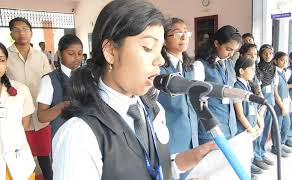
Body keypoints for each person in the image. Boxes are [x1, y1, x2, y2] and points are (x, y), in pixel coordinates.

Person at [52, 1, 215, 179]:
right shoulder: (79, 135)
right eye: (147, 48)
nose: (160, 60)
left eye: (160, 49)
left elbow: (147, 169)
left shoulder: (153, 110)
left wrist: (187, 159)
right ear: (110, 52)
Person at [157, 17, 212, 179]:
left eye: (186, 33)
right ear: (164, 40)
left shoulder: (191, 66)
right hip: (171, 136)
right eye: (177, 33)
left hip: (192, 133)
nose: (184, 37)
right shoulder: (159, 69)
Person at [6, 17, 52, 180]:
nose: (21, 33)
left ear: (31, 32)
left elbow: (49, 83)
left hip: (41, 117)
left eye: (25, 29)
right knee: (19, 160)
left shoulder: (41, 57)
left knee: (46, 159)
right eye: (16, 30)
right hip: (19, 119)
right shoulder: (6, 57)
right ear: (11, 34)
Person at [196, 25, 241, 142]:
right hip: (211, 129)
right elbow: (196, 100)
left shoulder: (230, 64)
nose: (231, 54)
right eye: (228, 49)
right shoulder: (201, 65)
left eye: (234, 51)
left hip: (230, 125)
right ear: (216, 43)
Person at [0, 42, 35, 180]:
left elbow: (24, 123)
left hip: (19, 163)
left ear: (6, 63)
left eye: (1, 60)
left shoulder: (21, 90)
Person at [37, 34, 83, 138]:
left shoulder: (88, 76)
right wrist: (62, 107)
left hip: (86, 135)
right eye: (71, 53)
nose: (76, 58)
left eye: (80, 53)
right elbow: (41, 117)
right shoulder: (49, 80)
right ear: (59, 54)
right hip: (62, 137)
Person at [233, 57, 264, 179]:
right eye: (251, 69)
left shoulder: (247, 86)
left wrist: (258, 123)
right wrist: (250, 128)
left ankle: (247, 173)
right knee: (242, 154)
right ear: (241, 70)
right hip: (243, 129)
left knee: (248, 153)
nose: (253, 72)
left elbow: (253, 107)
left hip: (250, 126)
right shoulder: (237, 87)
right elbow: (240, 114)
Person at [253, 44, 276, 170]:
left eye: (270, 53)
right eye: (265, 53)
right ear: (260, 54)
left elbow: (273, 87)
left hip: (270, 102)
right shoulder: (256, 68)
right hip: (260, 103)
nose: (267, 56)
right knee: (259, 129)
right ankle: (256, 156)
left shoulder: (273, 68)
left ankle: (261, 153)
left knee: (266, 129)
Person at [272, 51, 292, 157]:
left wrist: (290, 102)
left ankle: (281, 144)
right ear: (275, 60)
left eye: (286, 60)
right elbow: (275, 93)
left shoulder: (283, 72)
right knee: (277, 127)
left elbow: (286, 89)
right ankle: (276, 147)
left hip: (285, 102)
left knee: (286, 124)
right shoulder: (275, 73)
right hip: (278, 104)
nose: (285, 62)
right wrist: (282, 106)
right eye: (282, 60)